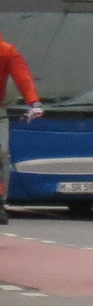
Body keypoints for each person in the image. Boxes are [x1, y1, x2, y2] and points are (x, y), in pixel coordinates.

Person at [0, 23, 39, 224]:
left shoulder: (6, 51)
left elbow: (23, 78)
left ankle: (0, 201)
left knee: (1, 155)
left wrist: (34, 102)